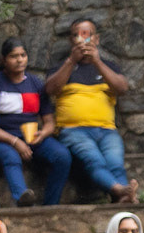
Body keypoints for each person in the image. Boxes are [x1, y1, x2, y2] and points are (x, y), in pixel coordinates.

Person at [44, 17, 135, 204]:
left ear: (97, 39)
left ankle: (123, 197)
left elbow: (122, 88)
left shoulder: (109, 66)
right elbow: (50, 89)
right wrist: (71, 61)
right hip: (73, 130)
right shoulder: (62, 67)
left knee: (116, 164)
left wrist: (97, 61)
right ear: (71, 40)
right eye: (76, 35)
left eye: (87, 35)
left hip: (106, 130)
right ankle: (120, 190)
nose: (82, 39)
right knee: (94, 161)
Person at [0, 38, 72, 208]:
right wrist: (14, 141)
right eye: (14, 56)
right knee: (11, 156)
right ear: (3, 60)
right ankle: (23, 199)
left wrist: (43, 133)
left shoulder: (35, 83)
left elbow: (49, 122)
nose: (19, 60)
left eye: (23, 55)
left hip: (31, 137)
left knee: (62, 156)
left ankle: (51, 206)